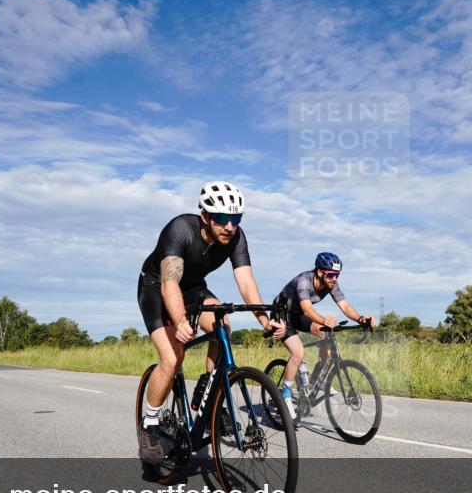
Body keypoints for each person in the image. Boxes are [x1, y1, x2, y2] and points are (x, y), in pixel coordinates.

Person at [137, 181, 285, 460]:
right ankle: (150, 423)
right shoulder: (180, 229)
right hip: (157, 288)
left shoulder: (237, 238)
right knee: (172, 359)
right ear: (205, 216)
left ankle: (208, 387)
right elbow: (170, 282)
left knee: (222, 326)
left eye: (236, 218)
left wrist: (264, 320)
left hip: (193, 288)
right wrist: (180, 320)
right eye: (222, 219)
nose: (230, 226)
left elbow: (246, 282)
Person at [273, 252, 376, 405]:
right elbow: (308, 310)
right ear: (320, 272)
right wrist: (324, 320)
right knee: (298, 352)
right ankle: (285, 393)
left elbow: (344, 305)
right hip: (281, 313)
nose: (334, 279)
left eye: (337, 275)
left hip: (298, 314)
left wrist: (361, 319)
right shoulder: (304, 281)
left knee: (327, 335)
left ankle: (317, 379)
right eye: (331, 275)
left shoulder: (331, 284)